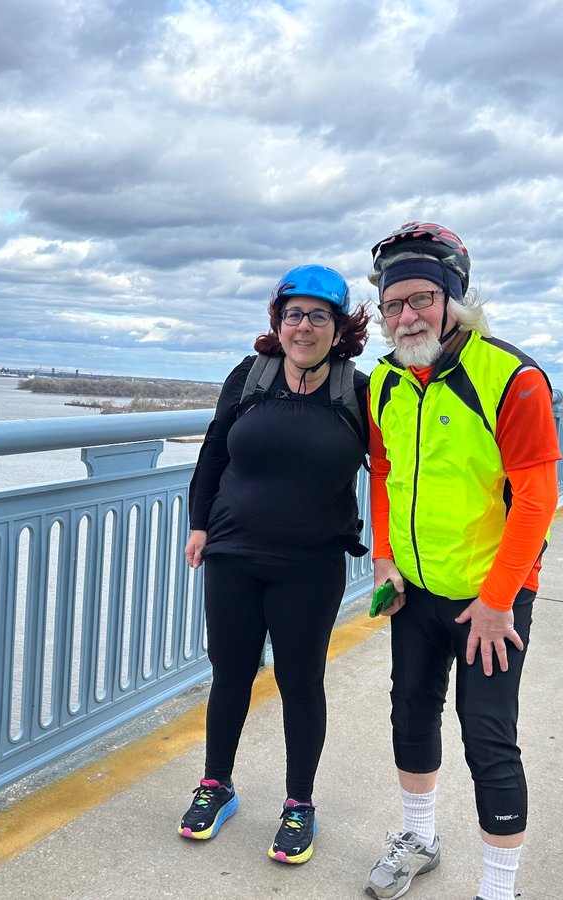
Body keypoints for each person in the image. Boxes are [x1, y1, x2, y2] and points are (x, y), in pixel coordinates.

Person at [361, 223, 561, 900]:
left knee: (489, 738)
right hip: (415, 591)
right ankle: (420, 839)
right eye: (393, 304)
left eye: (420, 298)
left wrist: (500, 598)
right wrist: (385, 561)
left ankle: (498, 891)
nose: (406, 315)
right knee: (410, 714)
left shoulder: (512, 377)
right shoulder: (384, 381)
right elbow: (384, 474)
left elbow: (537, 497)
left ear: (454, 299)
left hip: (491, 597)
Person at [179, 263, 371, 865]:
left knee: (300, 682)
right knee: (230, 672)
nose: (304, 326)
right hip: (234, 553)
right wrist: (199, 523)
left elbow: (394, 474)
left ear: (339, 327)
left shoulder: (358, 391)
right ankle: (216, 785)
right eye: (294, 315)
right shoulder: (250, 375)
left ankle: (299, 804)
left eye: (319, 315)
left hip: (311, 565)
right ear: (278, 322)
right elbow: (214, 450)